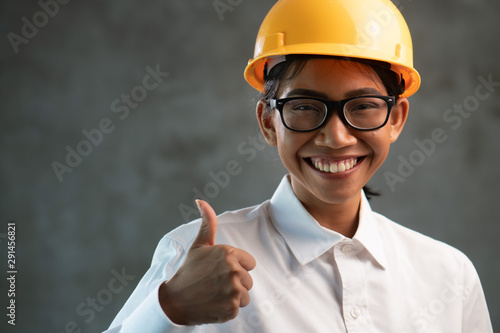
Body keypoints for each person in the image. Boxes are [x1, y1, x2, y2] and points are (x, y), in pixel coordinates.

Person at [105, 0, 493, 332]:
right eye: (305, 107)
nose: (337, 137)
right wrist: (168, 307)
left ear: (396, 118)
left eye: (363, 106)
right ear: (268, 122)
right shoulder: (194, 261)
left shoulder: (448, 274)